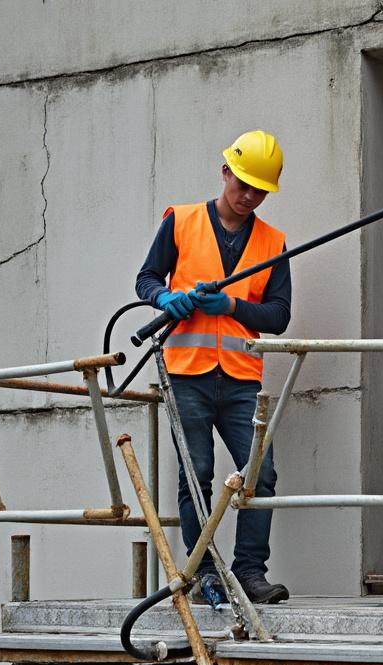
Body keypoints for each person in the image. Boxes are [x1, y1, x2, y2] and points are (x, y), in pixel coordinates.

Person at [134, 130, 291, 607]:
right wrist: (166, 298)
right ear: (225, 172)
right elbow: (146, 278)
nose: (248, 196)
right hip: (188, 373)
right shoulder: (180, 222)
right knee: (196, 469)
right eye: (242, 183)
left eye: (258, 189)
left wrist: (233, 305)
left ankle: (248, 573)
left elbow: (279, 316)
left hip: (242, 379)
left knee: (260, 474)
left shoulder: (273, 242)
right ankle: (204, 572)